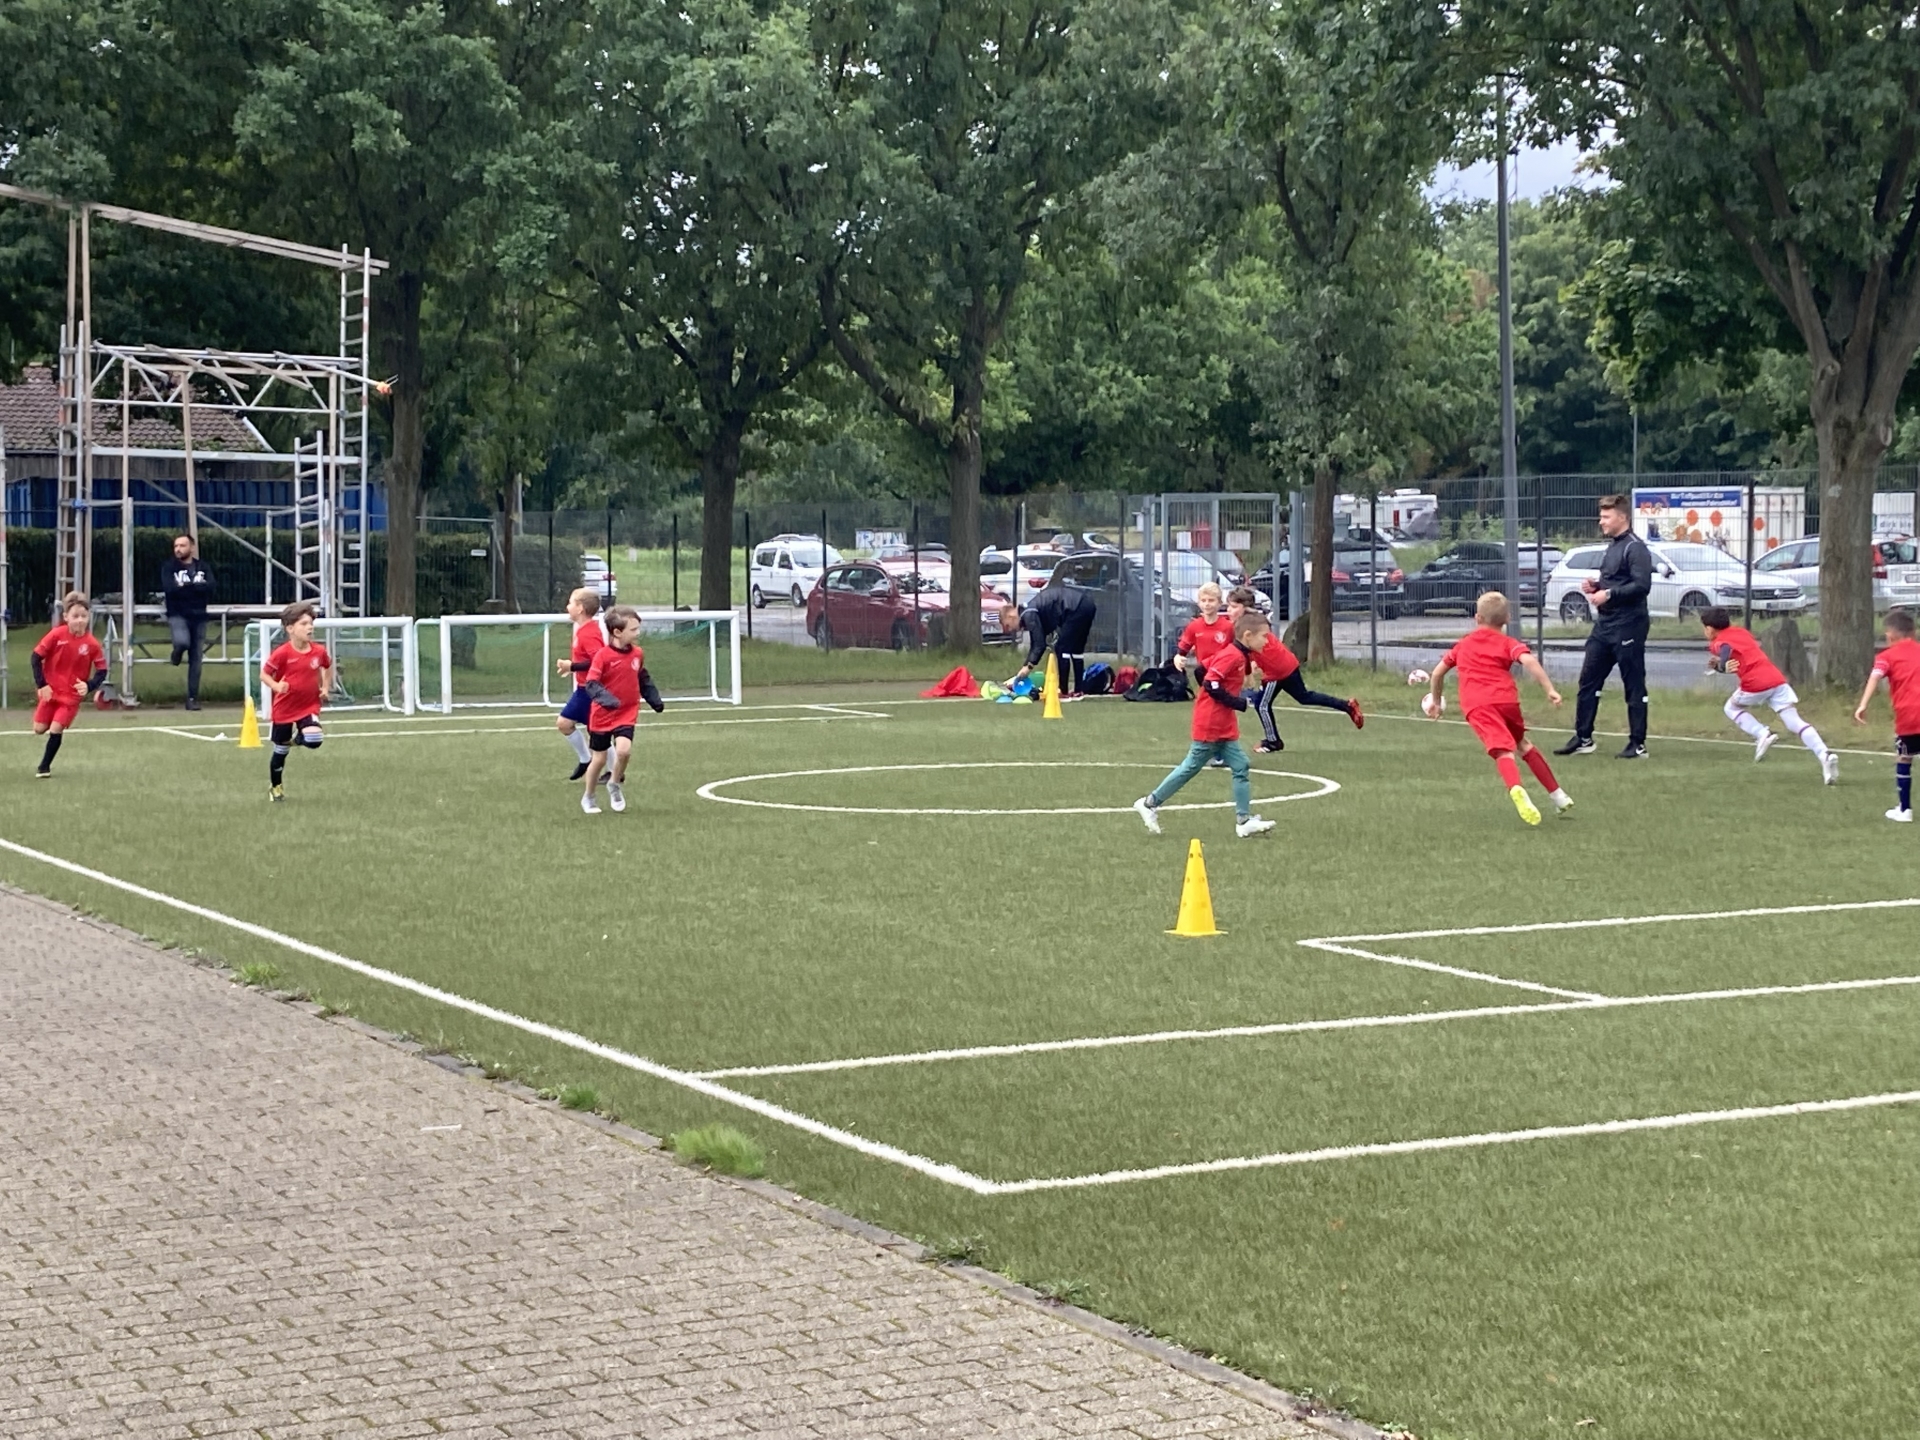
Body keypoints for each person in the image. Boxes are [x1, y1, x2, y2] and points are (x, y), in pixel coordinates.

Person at [1426, 591, 1573, 826]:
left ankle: (1516, 788)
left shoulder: (1464, 644)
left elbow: (1437, 673)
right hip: (1507, 701)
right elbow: (1529, 661)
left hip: (1478, 704)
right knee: (1523, 744)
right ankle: (1559, 796)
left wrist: (1436, 700)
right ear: (1507, 618)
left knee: (1503, 751)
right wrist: (1550, 689)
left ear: (1477, 618)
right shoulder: (1508, 643)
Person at [1132, 611, 1276, 839]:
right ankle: (1149, 803)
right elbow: (1211, 684)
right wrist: (1237, 702)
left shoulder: (1237, 654)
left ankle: (1244, 821)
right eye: (1264, 636)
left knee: (1241, 765)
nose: (1267, 641)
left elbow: (1201, 670)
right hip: (1210, 722)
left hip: (1223, 722)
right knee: (1191, 766)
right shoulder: (1232, 656)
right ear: (1248, 636)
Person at [1555, 493, 1653, 758]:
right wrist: (1597, 586)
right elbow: (1617, 580)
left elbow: (1641, 585)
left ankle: (1638, 743)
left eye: (1606, 516)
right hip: (1605, 625)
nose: (1601, 521)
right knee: (1588, 679)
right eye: (1601, 516)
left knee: (1633, 683)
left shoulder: (1636, 548)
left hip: (1629, 624)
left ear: (1622, 517)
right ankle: (1583, 737)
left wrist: (1608, 594)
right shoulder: (1612, 547)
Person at [1701, 606, 1836, 782]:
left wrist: (1722, 663)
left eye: (1704, 628)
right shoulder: (1741, 632)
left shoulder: (1717, 641)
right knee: (1795, 722)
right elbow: (1740, 654)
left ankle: (1761, 733)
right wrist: (1720, 666)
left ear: (1710, 628)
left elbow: (1725, 648)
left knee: (1731, 708)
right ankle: (1824, 754)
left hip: (1754, 683)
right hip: (1776, 679)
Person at [1226, 585, 1363, 753]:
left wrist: (1249, 671)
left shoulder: (1250, 625)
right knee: (1304, 697)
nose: (1229, 610)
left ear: (1245, 608)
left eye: (1233, 606)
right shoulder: (1251, 621)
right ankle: (1347, 706)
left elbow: (1246, 650)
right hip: (1287, 663)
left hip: (1277, 670)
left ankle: (1273, 741)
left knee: (1262, 704)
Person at [1853, 607, 1920, 822]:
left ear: (1889, 636)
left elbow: (1875, 677)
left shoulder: (1887, 656)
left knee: (1904, 757)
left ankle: (1905, 809)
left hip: (1909, 715)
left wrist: (1863, 705)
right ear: (1914, 632)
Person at [31, 592, 107, 778]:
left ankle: (44, 767)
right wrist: (42, 685)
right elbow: (35, 658)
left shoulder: (92, 644)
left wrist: (89, 685)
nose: (80, 620)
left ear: (89, 617)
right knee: (39, 729)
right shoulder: (56, 635)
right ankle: (51, 719)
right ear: (66, 617)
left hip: (71, 697)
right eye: (75, 616)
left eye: (84, 616)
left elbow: (102, 670)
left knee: (56, 729)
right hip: (51, 691)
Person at [261, 601, 332, 803]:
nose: (310, 627)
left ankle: (299, 737)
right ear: (290, 629)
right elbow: (264, 675)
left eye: (311, 623)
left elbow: (327, 666)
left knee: (314, 738)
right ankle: (275, 786)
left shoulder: (318, 651)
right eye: (304, 624)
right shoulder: (282, 653)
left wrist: (325, 688)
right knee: (281, 750)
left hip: (309, 706)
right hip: (284, 708)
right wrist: (276, 686)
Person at [581, 606, 645, 815]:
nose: (637, 633)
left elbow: (641, 676)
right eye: (633, 630)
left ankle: (614, 783)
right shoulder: (602, 656)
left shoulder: (637, 653)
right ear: (617, 632)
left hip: (626, 712)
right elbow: (591, 683)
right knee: (599, 759)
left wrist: (652, 696)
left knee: (624, 751)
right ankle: (589, 796)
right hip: (602, 716)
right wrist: (607, 699)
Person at [1002, 581, 1098, 699]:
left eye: (1008, 626)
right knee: (1076, 650)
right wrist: (1027, 664)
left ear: (1010, 616)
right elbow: (1038, 642)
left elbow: (1039, 644)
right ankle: (1078, 689)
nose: (1011, 630)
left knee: (1062, 648)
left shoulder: (1029, 614)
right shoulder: (1030, 609)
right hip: (1086, 604)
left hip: (1075, 607)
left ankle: (1063, 691)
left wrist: (1027, 667)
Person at [554, 587, 608, 780]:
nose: (567, 606)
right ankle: (596, 764)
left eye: (571, 603)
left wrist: (572, 666)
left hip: (590, 690)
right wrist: (571, 667)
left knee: (567, 723)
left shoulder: (589, 633)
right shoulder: (585, 630)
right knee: (593, 729)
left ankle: (597, 764)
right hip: (586, 688)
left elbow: (598, 660)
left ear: (580, 608)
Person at [161, 534, 216, 710]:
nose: (178, 549)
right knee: (182, 642)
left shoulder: (202, 567)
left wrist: (186, 587)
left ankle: (192, 698)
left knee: (196, 659)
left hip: (199, 616)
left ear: (192, 547)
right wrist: (195, 588)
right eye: (176, 546)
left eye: (182, 545)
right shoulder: (169, 567)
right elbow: (170, 589)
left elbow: (211, 586)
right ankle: (176, 654)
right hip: (177, 614)